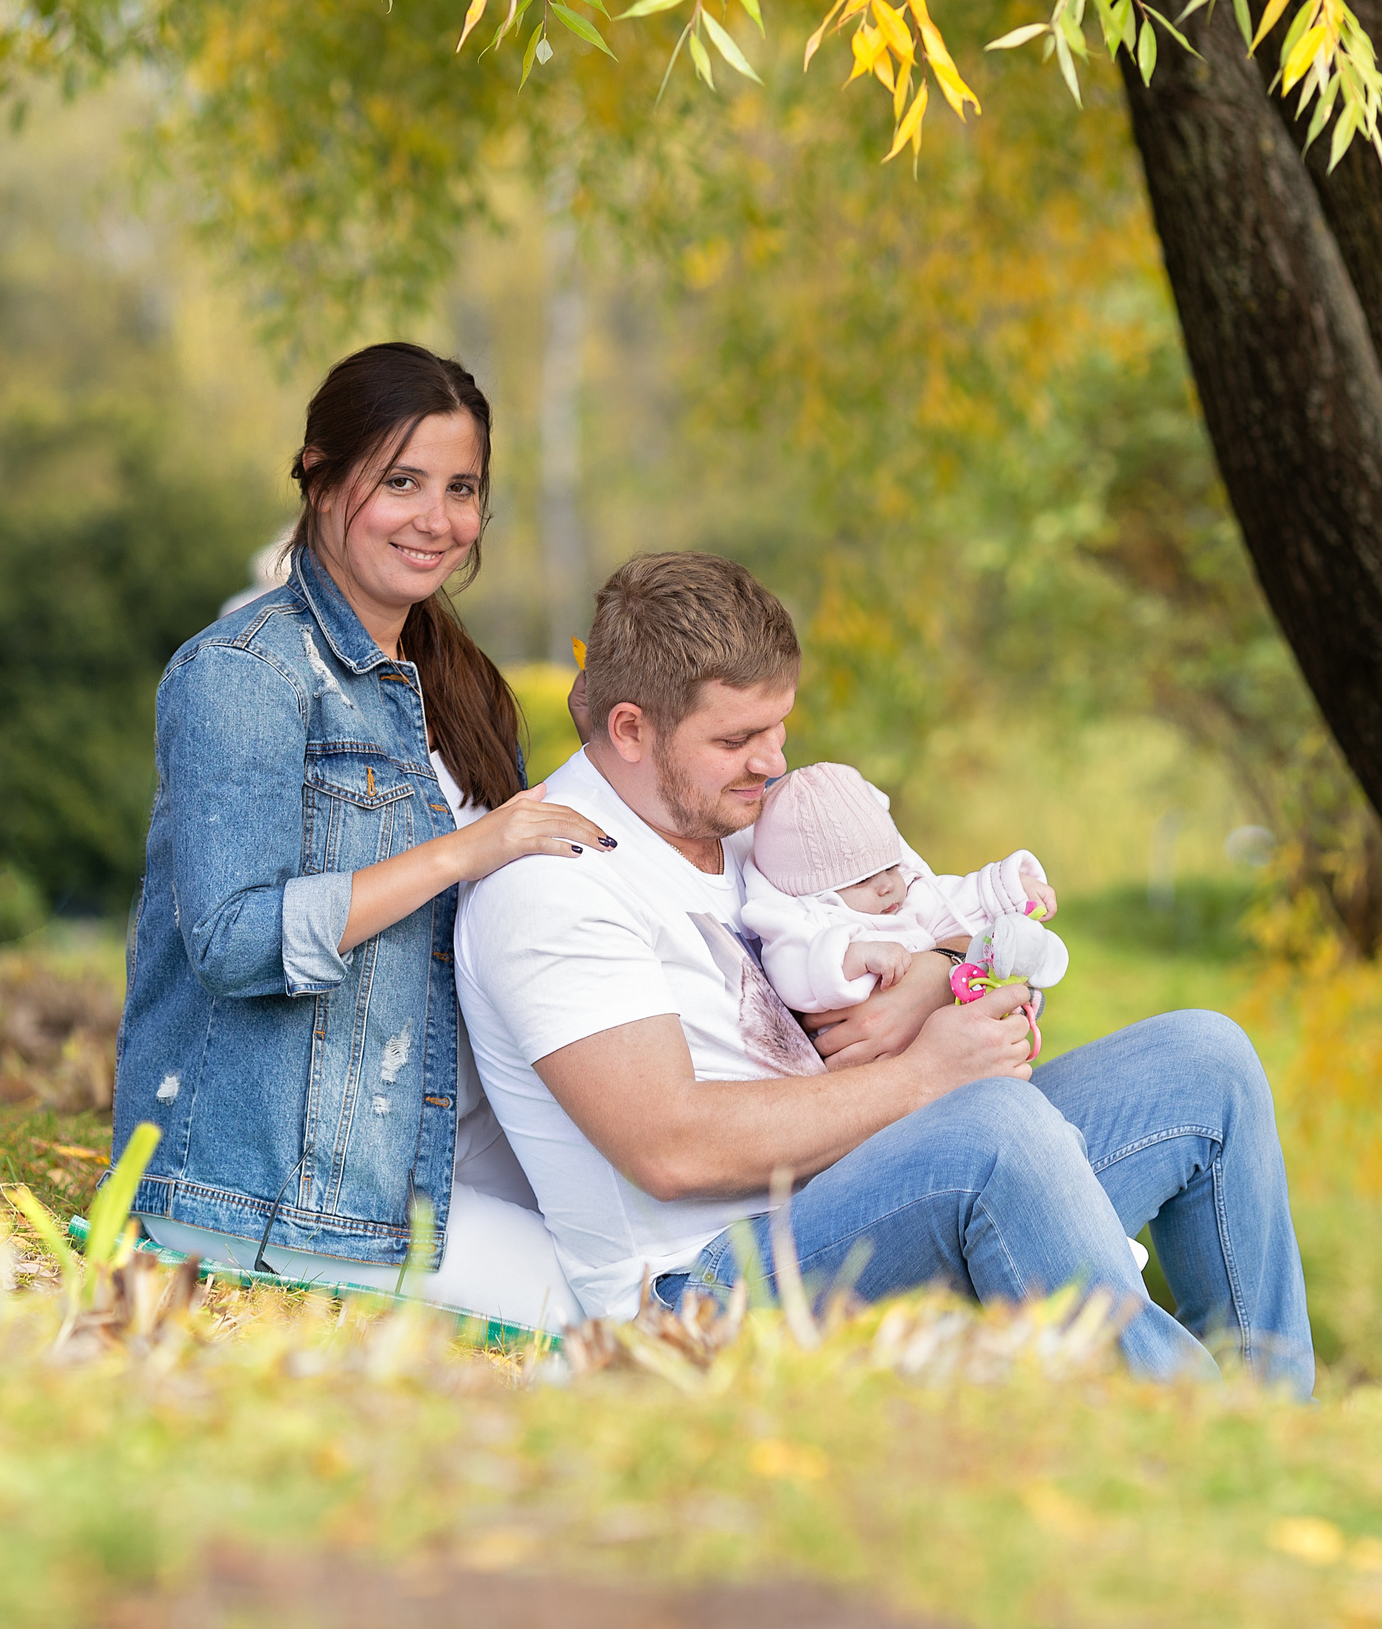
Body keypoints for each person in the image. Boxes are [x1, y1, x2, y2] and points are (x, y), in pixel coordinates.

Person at [454, 552, 1313, 1388]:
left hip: (878, 1174)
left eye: (778, 727)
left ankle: (1280, 1417)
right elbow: (669, 1145)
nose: (773, 762)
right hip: (703, 1289)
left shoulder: (758, 813)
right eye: (737, 738)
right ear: (631, 728)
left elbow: (940, 919)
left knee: (1207, 1062)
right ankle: (1213, 1437)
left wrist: (938, 979)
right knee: (997, 1133)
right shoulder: (553, 880)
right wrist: (928, 1077)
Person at [110, 342, 611, 1332]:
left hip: (450, 1130)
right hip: (300, 1180)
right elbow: (231, 940)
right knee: (598, 1306)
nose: (438, 520)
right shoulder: (243, 673)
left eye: (461, 488)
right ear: (318, 474)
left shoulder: (458, 686)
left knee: (694, 1243)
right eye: (401, 482)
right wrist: (462, 853)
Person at [741, 760, 1068, 1017]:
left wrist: (1013, 886)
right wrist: (854, 957)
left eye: (890, 868)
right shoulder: (812, 924)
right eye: (861, 881)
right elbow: (793, 972)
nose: (887, 886)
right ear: (810, 893)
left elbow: (958, 898)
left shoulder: (909, 898)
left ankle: (1015, 997)